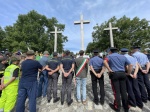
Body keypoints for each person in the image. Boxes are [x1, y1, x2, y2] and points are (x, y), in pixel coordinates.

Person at [104, 47, 132, 112]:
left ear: (110, 51)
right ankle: (126, 107)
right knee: (124, 91)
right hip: (122, 74)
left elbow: (104, 61)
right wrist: (128, 73)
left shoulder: (109, 56)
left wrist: (109, 69)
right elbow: (130, 65)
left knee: (116, 92)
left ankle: (118, 107)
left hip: (114, 74)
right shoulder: (123, 56)